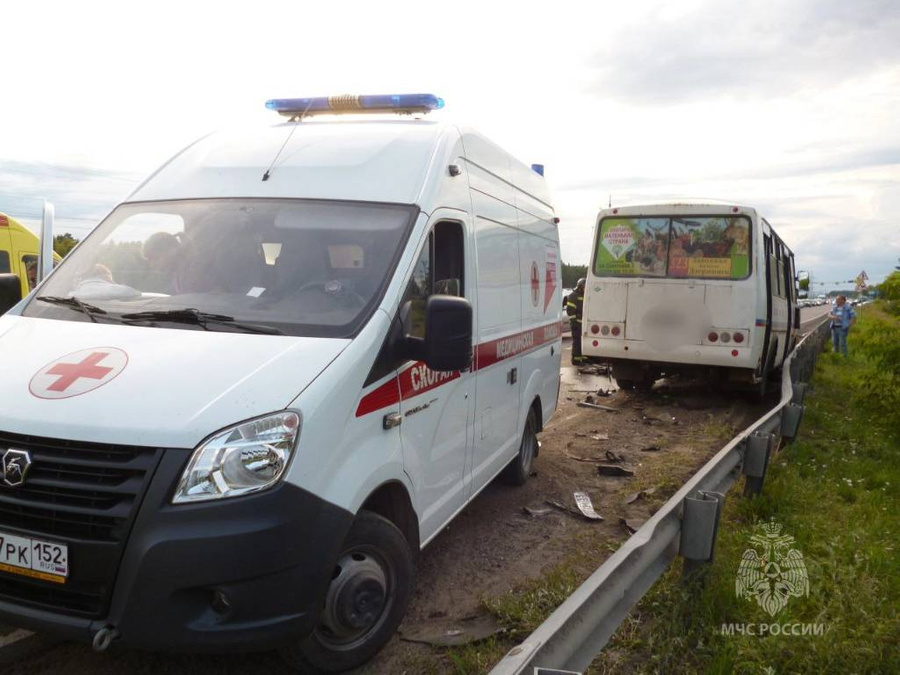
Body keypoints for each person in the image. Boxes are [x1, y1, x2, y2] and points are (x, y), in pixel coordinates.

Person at [566, 278, 586, 364]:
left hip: (583, 323)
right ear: (580, 286)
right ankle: (575, 359)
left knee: (582, 341)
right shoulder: (573, 296)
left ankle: (583, 357)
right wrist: (574, 322)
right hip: (576, 323)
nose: (586, 288)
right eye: (585, 286)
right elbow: (570, 310)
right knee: (577, 341)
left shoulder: (584, 295)